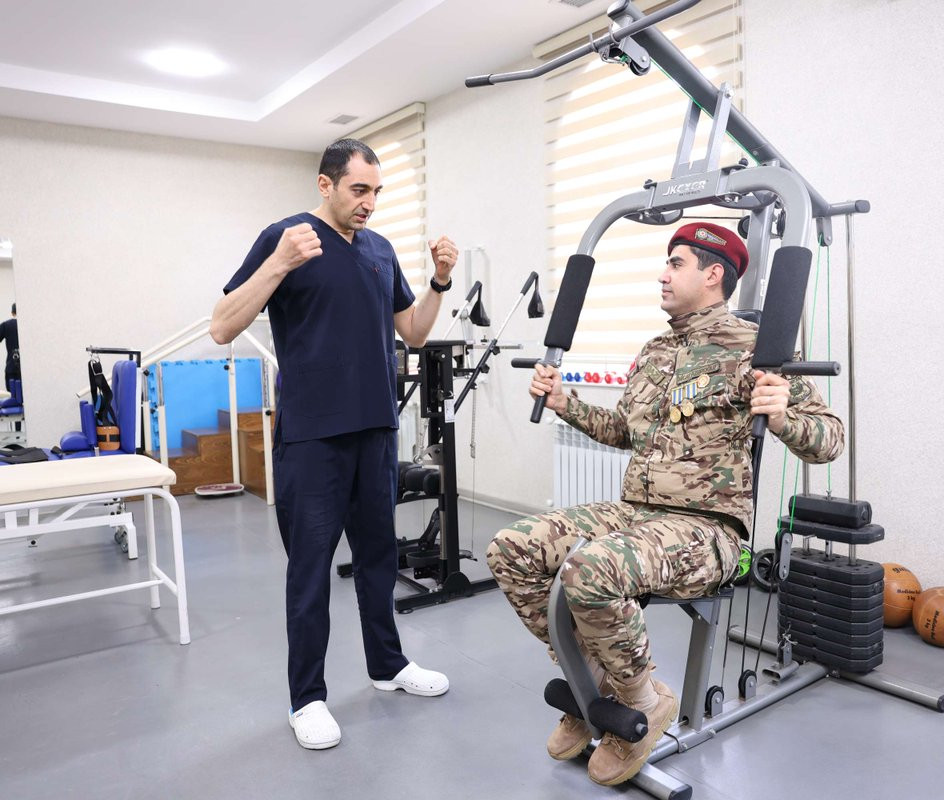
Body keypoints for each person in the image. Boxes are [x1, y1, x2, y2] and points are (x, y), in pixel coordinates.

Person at [486, 223, 845, 786]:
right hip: (637, 512)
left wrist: (781, 418)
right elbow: (622, 431)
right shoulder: (655, 351)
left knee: (589, 569)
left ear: (713, 274)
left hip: (707, 528)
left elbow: (830, 440)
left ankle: (642, 701)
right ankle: (594, 684)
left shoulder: (758, 350)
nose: (662, 274)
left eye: (675, 264)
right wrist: (563, 402)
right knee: (511, 547)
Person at [211, 139, 459, 751]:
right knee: (310, 572)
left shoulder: (378, 250)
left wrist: (439, 282)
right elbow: (222, 326)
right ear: (325, 185)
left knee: (378, 560)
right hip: (312, 438)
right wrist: (278, 264)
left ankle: (388, 665)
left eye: (376, 192)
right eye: (358, 190)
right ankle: (307, 698)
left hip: (375, 431)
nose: (369, 203)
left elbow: (413, 332)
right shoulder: (285, 237)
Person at [0, 303, 18, 391]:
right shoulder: (30, 325)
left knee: (13, 396)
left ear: (12, 313)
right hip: (29, 371)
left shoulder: (6, 325)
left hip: (12, 368)